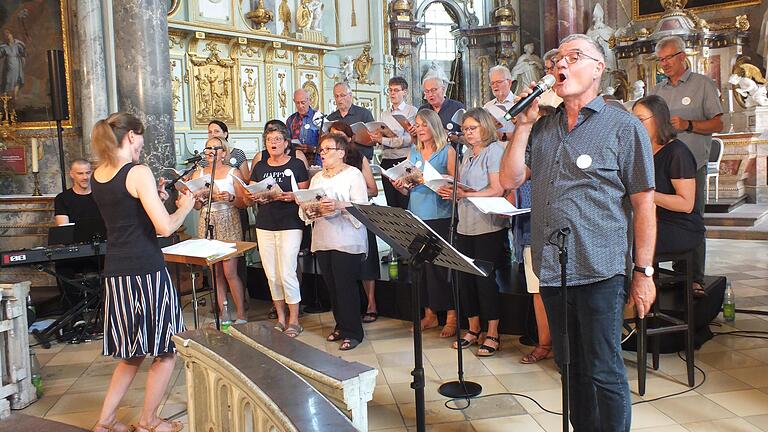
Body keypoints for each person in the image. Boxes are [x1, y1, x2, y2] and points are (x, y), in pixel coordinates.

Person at [499, 34, 656, 431]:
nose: (559, 65)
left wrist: (644, 272)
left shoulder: (622, 127)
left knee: (604, 369)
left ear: (598, 69)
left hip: (601, 269)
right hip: (553, 270)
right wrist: (522, 126)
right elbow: (510, 178)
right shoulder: (543, 128)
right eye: (556, 60)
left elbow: (643, 205)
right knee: (571, 369)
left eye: (573, 57)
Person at [90, 112, 195, 432]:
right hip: (146, 270)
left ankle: (106, 421)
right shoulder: (138, 172)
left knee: (132, 353)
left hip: (117, 271)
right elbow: (164, 228)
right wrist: (184, 207)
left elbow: (128, 214)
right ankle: (149, 421)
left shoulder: (99, 174)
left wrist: (156, 196)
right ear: (132, 136)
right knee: (166, 350)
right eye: (141, 139)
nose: (141, 146)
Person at [650, 35, 723, 296]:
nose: (664, 64)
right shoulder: (658, 91)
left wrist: (688, 125)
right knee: (661, 218)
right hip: (661, 167)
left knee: (691, 219)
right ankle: (665, 274)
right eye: (660, 60)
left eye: (668, 58)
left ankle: (694, 278)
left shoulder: (703, 85)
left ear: (682, 56)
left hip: (692, 167)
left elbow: (718, 124)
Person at [437, 108, 507, 356]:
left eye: (472, 128)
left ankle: (493, 332)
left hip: (487, 224)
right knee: (465, 278)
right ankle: (473, 328)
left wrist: (465, 193)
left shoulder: (495, 150)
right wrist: (450, 190)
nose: (467, 133)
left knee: (485, 280)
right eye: (465, 129)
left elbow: (497, 188)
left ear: (485, 127)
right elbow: (463, 185)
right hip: (465, 222)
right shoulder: (466, 153)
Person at [392, 109, 458, 338]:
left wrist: (440, 181)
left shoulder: (447, 151)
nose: (419, 128)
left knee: (442, 267)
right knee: (422, 267)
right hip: (417, 212)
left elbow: (456, 181)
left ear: (434, 126)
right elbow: (407, 185)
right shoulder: (414, 151)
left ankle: (451, 316)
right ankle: (429, 314)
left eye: (423, 124)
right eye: (417, 124)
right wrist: (399, 183)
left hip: (439, 213)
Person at [633, 95, 706, 297]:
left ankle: (638, 301)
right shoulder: (644, 152)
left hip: (680, 228)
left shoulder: (677, 152)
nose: (635, 125)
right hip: (655, 222)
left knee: (628, 241)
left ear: (658, 120)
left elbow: (686, 203)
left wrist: (646, 195)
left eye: (640, 120)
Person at [301, 134, 369, 351]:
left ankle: (353, 332)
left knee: (345, 286)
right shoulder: (317, 178)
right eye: (321, 150)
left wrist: (338, 204)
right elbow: (308, 208)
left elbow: (362, 208)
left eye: (328, 149)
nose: (323, 153)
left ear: (341, 152)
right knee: (331, 285)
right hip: (323, 237)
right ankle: (340, 325)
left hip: (347, 238)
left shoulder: (353, 174)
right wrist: (309, 208)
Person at [243, 121, 309, 336]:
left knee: (287, 271)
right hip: (265, 223)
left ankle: (294, 319)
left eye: (278, 139)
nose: (273, 143)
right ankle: (280, 317)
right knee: (271, 274)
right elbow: (250, 191)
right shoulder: (260, 166)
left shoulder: (296, 165)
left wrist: (291, 196)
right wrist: (254, 196)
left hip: (289, 222)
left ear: (286, 143)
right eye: (269, 140)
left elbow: (304, 194)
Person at [511, 104, 556, 364]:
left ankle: (560, 345)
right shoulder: (527, 156)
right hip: (531, 231)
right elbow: (512, 181)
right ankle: (544, 342)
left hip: (560, 234)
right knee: (537, 290)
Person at [191, 136, 248, 323]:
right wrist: (198, 200)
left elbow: (244, 202)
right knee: (215, 273)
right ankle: (224, 313)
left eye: (215, 148)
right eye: (208, 148)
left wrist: (230, 198)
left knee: (229, 271)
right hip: (207, 220)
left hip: (228, 219)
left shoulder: (233, 172)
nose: (211, 152)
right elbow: (197, 207)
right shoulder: (198, 174)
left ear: (223, 152)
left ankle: (240, 314)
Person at [328, 121, 380, 323]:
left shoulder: (358, 157)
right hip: (336, 220)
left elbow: (373, 189)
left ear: (349, 139)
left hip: (358, 214)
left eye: (340, 136)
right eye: (332, 137)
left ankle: (371, 303)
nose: (336, 141)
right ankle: (349, 307)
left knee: (367, 262)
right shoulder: (326, 163)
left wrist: (351, 194)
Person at [370, 76, 417, 210]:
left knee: (404, 201)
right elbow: (383, 136)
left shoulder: (411, 111)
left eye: (396, 90)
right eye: (390, 90)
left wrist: (383, 140)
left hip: (403, 159)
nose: (392, 94)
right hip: (386, 160)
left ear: (405, 92)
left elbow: (409, 139)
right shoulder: (385, 114)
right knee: (391, 203)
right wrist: (376, 137)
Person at [326, 82, 375, 160]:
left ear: (350, 96)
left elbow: (375, 140)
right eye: (336, 96)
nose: (339, 99)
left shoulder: (364, 114)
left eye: (342, 95)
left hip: (361, 159)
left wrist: (353, 138)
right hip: (339, 160)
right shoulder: (331, 118)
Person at [54, 159, 103, 226]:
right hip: (74, 236)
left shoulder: (102, 195)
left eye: (88, 173)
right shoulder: (62, 198)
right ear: (72, 174)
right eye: (80, 173)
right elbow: (64, 229)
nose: (85, 177)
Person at [285, 89, 321, 165]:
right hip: (296, 160)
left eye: (303, 102)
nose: (300, 106)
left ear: (309, 100)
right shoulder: (291, 120)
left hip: (316, 160)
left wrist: (313, 149)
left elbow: (327, 143)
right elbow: (286, 141)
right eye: (297, 103)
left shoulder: (319, 118)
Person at [483, 65, 516, 141]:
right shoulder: (487, 107)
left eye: (499, 82)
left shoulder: (520, 103)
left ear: (509, 83)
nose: (495, 86)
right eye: (492, 83)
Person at [0, 29, 25, 98]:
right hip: (8, 64)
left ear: (12, 34)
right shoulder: (3, 46)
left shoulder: (18, 44)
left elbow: (23, 54)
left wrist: (23, 64)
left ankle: (15, 97)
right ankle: (7, 97)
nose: (7, 35)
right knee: (8, 79)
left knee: (17, 80)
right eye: (5, 34)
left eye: (8, 33)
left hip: (17, 63)